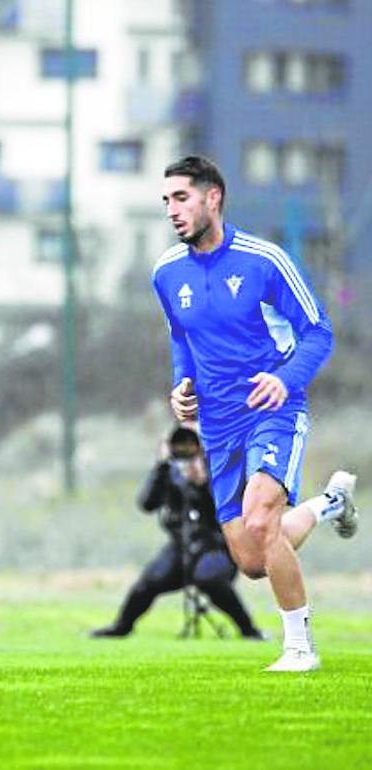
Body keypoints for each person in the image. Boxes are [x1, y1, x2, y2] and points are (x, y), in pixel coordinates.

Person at [152, 155, 359, 672]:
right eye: (167, 201)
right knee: (250, 559)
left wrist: (284, 379)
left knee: (262, 515)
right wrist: (183, 385)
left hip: (275, 410)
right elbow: (182, 337)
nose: (172, 210)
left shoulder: (264, 260)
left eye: (181, 197)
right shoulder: (166, 272)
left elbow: (319, 332)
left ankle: (299, 649)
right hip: (217, 427)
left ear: (212, 198)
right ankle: (332, 503)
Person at [91, 423, 266, 640]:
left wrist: (203, 483)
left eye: (192, 441)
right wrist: (161, 466)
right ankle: (121, 626)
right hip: (181, 545)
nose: (186, 447)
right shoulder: (170, 471)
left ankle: (248, 629)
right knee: (150, 580)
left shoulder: (220, 465)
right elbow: (146, 503)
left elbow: (229, 508)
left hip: (218, 544)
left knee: (208, 577)